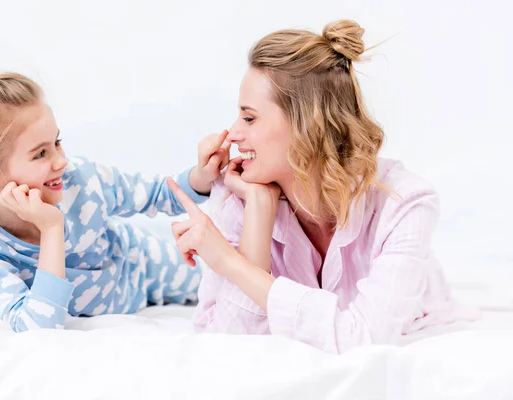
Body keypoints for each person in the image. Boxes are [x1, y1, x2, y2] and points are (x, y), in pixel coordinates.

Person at [168, 20, 478, 353]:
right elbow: (229, 346)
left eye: (249, 118)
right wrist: (259, 213)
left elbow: (362, 339)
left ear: (307, 125)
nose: (232, 134)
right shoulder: (239, 194)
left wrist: (231, 262)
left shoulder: (405, 204)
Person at [0, 73, 229, 332]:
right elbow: (40, 326)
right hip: (117, 296)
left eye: (56, 143)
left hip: (143, 266)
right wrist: (50, 228)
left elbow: (155, 195)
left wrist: (202, 176)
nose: (61, 161)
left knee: (227, 283)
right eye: (40, 154)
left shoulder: (80, 179)